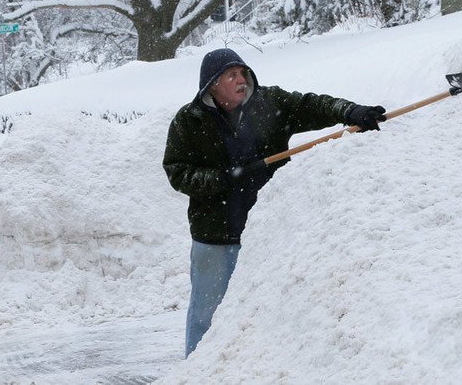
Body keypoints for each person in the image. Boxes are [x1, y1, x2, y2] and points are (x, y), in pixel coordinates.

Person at [162, 48, 387, 358]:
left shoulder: (269, 103)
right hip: (215, 237)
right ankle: (197, 373)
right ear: (212, 84)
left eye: (242, 73)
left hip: (269, 233)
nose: (241, 80)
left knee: (268, 316)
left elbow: (312, 105)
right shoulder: (189, 121)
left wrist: (349, 112)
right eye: (232, 75)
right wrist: (220, 179)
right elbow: (177, 171)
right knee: (207, 315)